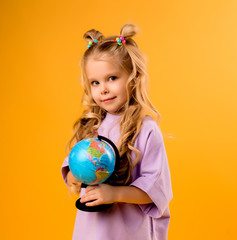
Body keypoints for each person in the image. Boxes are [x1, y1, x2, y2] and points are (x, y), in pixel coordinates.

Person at [61, 23, 173, 240]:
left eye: (112, 78)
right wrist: (74, 176)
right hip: (93, 230)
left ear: (133, 76)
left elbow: (156, 188)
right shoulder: (92, 126)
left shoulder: (145, 129)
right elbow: (74, 170)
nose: (103, 88)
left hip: (128, 231)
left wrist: (115, 193)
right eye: (95, 82)